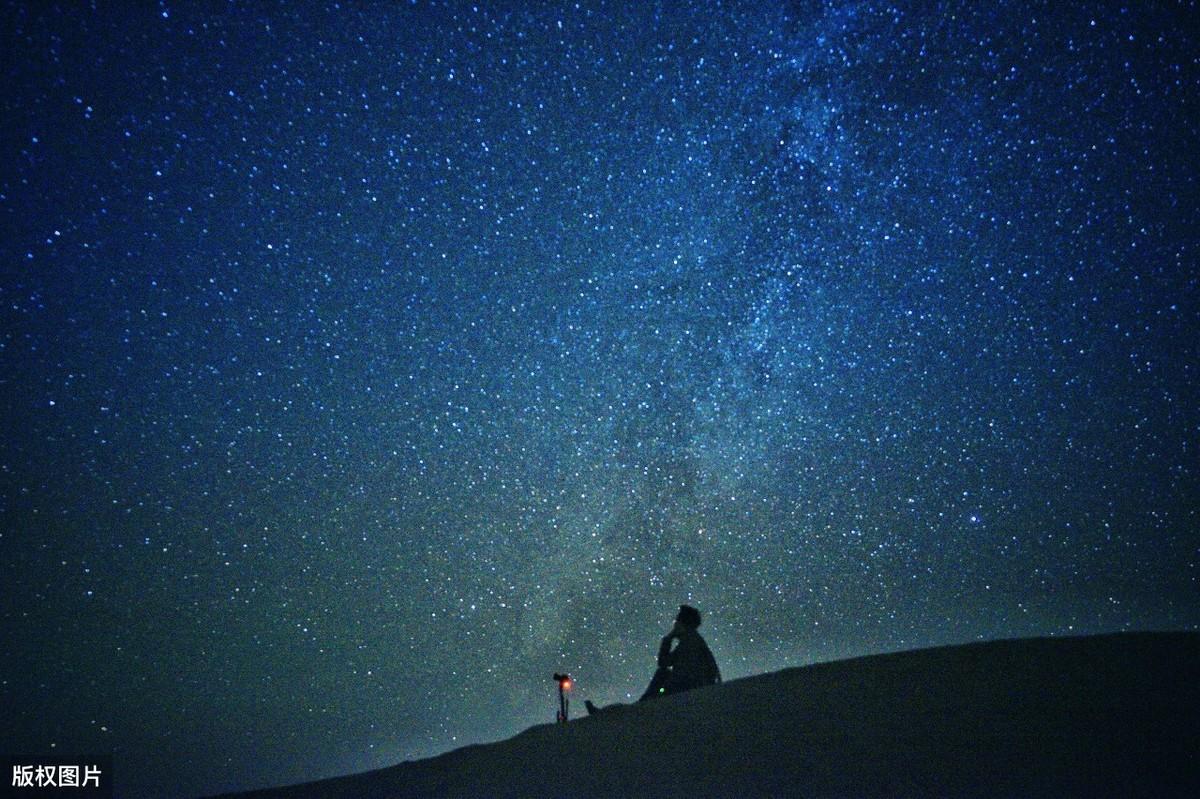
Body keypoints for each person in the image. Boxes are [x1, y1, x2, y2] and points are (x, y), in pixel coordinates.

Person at [585, 605, 721, 715]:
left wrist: (663, 690)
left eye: (677, 622)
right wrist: (667, 640)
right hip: (686, 688)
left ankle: (630, 708)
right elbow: (665, 663)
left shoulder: (690, 643)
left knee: (659, 678)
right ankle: (631, 706)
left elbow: (677, 671)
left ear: (683, 623)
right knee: (661, 674)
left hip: (685, 690)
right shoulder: (691, 641)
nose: (674, 625)